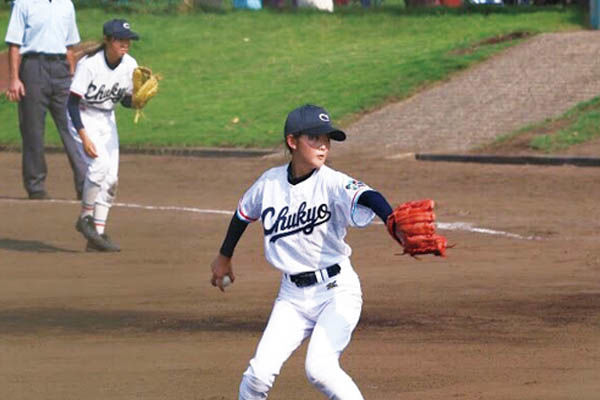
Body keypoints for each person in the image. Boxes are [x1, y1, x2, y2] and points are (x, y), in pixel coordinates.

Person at [210, 104, 398, 399]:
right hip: (292, 297)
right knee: (257, 376)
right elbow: (243, 214)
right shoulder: (269, 183)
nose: (323, 146)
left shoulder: (332, 181)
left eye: (327, 139)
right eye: (315, 138)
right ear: (292, 141)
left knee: (320, 369)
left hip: (337, 291)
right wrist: (224, 256)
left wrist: (391, 219)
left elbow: (369, 196)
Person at [69, 19, 140, 252]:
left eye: (128, 39)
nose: (125, 44)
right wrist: (84, 136)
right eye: (120, 39)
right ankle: (85, 218)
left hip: (107, 119)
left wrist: (139, 100)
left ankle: (96, 236)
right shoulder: (89, 65)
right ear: (108, 40)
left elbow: (126, 100)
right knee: (98, 165)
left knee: (111, 179)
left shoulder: (130, 65)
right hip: (83, 115)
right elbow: (71, 103)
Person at [4, 0, 87, 200]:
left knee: (72, 126)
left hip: (60, 69)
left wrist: (73, 76)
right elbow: (14, 45)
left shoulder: (66, 4)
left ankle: (85, 183)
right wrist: (14, 79)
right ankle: (35, 185)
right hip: (33, 67)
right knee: (33, 130)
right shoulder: (23, 4)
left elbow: (69, 47)